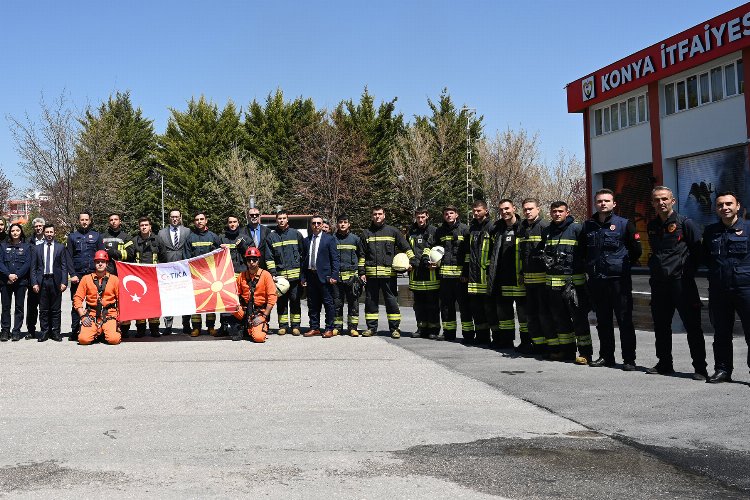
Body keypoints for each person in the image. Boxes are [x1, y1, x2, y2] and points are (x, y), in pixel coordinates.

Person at [646, 186, 707, 380]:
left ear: (673, 201)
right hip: (659, 284)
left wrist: (687, 272)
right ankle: (664, 363)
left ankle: (700, 367)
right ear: (652, 203)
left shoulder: (686, 223)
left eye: (664, 199)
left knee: (693, 327)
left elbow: (698, 253)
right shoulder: (652, 226)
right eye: (657, 200)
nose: (661, 202)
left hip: (682, 283)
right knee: (661, 326)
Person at [581, 189, 642, 370]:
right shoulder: (588, 226)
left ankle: (629, 359)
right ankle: (606, 356)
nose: (603, 204)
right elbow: (583, 251)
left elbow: (636, 250)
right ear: (595, 203)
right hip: (597, 281)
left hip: (619, 281)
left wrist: (621, 265)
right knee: (603, 321)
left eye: (607, 201)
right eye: (600, 201)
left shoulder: (624, 224)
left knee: (624, 320)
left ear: (614, 204)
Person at [702, 191, 750, 383]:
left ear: (738, 206)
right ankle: (722, 370)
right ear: (716, 208)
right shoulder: (711, 232)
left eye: (729, 204)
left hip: (746, 288)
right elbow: (706, 258)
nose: (725, 208)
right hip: (719, 289)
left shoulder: (748, 229)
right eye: (721, 205)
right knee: (721, 333)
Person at [542, 201, 593, 364]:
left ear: (567, 212)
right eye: (554, 211)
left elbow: (586, 254)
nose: (557, 214)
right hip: (553, 287)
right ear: (550, 212)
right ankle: (567, 352)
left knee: (579, 320)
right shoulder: (547, 231)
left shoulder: (577, 229)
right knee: (560, 320)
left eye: (560, 211)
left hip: (574, 286)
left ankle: (585, 353)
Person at [361, 205, 416, 339]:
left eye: (380, 214)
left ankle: (395, 328)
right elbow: (362, 255)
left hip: (389, 276)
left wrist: (412, 261)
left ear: (384, 215)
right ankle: (371, 328)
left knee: (391, 302)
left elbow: (405, 247)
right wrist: (361, 272)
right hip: (371, 276)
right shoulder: (366, 233)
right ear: (371, 216)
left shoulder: (393, 231)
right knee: (370, 302)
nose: (377, 216)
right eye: (375, 214)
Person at [487, 199, 529, 352]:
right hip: (502, 278)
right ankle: (506, 341)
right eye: (501, 210)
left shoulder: (524, 228)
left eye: (507, 209)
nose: (504, 212)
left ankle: (526, 342)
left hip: (519, 278)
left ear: (514, 208)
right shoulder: (497, 229)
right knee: (504, 314)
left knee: (523, 315)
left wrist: (525, 273)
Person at [518, 198, 552, 357]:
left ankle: (548, 346)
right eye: (525, 209)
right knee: (530, 315)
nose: (527, 212)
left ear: (538, 209)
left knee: (545, 315)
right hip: (529, 282)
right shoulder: (522, 228)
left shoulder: (545, 227)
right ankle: (537, 345)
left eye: (531, 209)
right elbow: (521, 255)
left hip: (543, 281)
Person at [433, 205, 471, 341]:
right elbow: (435, 249)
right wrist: (432, 261)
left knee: (464, 306)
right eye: (446, 214)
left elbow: (468, 254)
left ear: (456, 215)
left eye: (451, 213)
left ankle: (468, 334)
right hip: (445, 276)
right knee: (446, 306)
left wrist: (465, 273)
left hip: (460, 277)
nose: (448, 215)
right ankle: (449, 333)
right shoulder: (440, 231)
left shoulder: (465, 230)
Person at [264, 210, 305, 336]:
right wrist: (273, 273)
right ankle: (283, 326)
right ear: (277, 220)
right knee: (281, 303)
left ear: (287, 220)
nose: (281, 220)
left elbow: (303, 254)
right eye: (279, 218)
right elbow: (269, 257)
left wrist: (302, 274)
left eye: (284, 218)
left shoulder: (296, 234)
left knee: (295, 300)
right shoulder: (271, 237)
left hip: (295, 277)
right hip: (280, 278)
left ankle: (295, 326)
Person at [66, 211, 103, 341]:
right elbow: (68, 257)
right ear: (79, 221)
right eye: (82, 219)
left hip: (93, 275)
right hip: (78, 275)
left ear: (90, 220)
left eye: (86, 219)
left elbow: (101, 256)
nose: (84, 222)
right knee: (77, 303)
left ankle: (97, 329)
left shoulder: (97, 236)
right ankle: (75, 329)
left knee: (95, 303)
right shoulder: (72, 237)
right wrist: (72, 275)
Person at [184, 210, 222, 336]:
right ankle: (196, 328)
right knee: (196, 302)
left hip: (210, 276)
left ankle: (211, 327)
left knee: (211, 302)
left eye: (201, 219)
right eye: (197, 220)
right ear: (194, 222)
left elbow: (219, 255)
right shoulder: (190, 238)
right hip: (195, 276)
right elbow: (186, 257)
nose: (199, 222)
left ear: (206, 221)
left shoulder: (213, 237)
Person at [302, 215, 340, 338]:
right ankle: (314, 327)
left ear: (322, 224)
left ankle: (329, 328)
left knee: (328, 303)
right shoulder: (306, 240)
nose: (316, 225)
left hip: (325, 277)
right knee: (312, 304)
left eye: (319, 223)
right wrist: (303, 277)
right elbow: (304, 260)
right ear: (311, 225)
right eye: (314, 223)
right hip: (311, 276)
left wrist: (334, 275)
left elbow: (335, 259)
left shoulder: (329, 239)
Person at [73, 250, 121, 345]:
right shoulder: (86, 279)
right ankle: (97, 332)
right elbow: (77, 299)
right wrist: (82, 316)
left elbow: (121, 300)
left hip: (109, 314)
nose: (100, 264)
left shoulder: (114, 279)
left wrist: (119, 318)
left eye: (102, 262)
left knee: (114, 340)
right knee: (83, 340)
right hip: (92, 315)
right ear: (94, 263)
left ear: (107, 264)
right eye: (98, 262)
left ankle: (104, 332)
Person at [463, 200, 494, 345]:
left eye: (479, 210)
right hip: (474, 277)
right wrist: (465, 272)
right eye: (474, 211)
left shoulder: (492, 227)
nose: (476, 213)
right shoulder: (472, 228)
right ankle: (482, 337)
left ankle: (497, 338)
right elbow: (468, 253)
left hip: (487, 276)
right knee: (476, 309)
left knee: (489, 309)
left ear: (486, 211)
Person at [230, 247, 277, 343]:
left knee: (258, 338)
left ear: (258, 260)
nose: (251, 262)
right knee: (231, 306)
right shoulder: (241, 276)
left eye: (254, 260)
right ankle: (244, 326)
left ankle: (258, 327)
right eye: (249, 260)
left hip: (259, 312)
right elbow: (235, 294)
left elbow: (272, 298)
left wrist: (263, 316)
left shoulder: (266, 275)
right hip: (245, 311)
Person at [156, 209, 191, 334]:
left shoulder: (187, 231)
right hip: (167, 269)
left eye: (177, 217)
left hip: (184, 269)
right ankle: (168, 325)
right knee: (168, 298)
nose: (174, 219)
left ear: (180, 217)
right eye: (172, 217)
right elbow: (160, 251)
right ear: (169, 218)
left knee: (185, 297)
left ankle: (186, 324)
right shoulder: (161, 233)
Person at [31, 224, 68, 342]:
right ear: (44, 233)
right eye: (47, 232)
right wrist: (34, 283)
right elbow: (33, 267)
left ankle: (56, 332)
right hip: (42, 281)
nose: (49, 234)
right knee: (43, 309)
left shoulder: (60, 247)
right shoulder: (37, 248)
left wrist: (64, 282)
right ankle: (44, 332)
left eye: (51, 232)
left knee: (56, 309)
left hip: (55, 281)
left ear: (54, 233)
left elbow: (64, 266)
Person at [408, 208, 439, 338]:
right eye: (418, 217)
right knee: (418, 304)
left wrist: (437, 263)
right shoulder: (411, 231)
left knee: (432, 304)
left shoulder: (434, 231)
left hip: (431, 273)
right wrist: (409, 261)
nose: (420, 220)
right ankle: (421, 328)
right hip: (415, 273)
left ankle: (433, 329)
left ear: (427, 216)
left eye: (422, 217)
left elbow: (439, 249)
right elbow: (407, 248)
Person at [332, 214, 365, 336]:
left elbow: (361, 256)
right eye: (340, 222)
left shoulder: (355, 239)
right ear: (337, 224)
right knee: (337, 303)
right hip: (337, 278)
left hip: (352, 278)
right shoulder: (332, 239)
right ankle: (337, 327)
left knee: (353, 304)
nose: (342, 224)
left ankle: (352, 328)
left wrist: (361, 273)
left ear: (349, 224)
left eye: (345, 222)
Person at [129, 217, 163, 338]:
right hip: (139, 279)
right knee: (140, 304)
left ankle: (154, 329)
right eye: (141, 225)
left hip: (154, 278)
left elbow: (163, 256)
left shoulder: (157, 240)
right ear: (139, 227)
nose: (144, 227)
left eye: (146, 225)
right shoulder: (134, 241)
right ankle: (141, 330)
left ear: (150, 227)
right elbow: (128, 257)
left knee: (153, 304)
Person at [101, 213, 133, 337]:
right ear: (109, 222)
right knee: (107, 302)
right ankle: (107, 326)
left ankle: (124, 329)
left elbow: (130, 254)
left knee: (122, 303)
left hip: (121, 275)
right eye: (111, 220)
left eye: (116, 219)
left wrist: (114, 252)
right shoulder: (102, 237)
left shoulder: (126, 237)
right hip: (106, 276)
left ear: (120, 221)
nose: (113, 222)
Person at [220, 214, 252, 334]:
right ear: (227, 224)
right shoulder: (222, 239)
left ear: (238, 223)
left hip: (242, 275)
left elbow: (252, 255)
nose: (232, 224)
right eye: (230, 222)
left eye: (235, 222)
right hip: (226, 276)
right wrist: (219, 249)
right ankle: (223, 327)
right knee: (226, 302)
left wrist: (242, 246)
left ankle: (243, 326)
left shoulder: (246, 238)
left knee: (243, 301)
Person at [0, 224, 32, 341]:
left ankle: (16, 331)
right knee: (5, 307)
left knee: (19, 307)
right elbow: (1, 262)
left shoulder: (27, 246)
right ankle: (5, 331)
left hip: (21, 282)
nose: (15, 232)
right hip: (6, 281)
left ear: (21, 232)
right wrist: (8, 275)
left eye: (17, 230)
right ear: (10, 232)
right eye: (13, 230)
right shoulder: (3, 246)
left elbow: (27, 263)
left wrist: (17, 275)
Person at [25, 217, 46, 340]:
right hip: (32, 278)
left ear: (43, 227)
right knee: (32, 306)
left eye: (40, 226)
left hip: (46, 277)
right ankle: (31, 330)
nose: (38, 228)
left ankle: (46, 330)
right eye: (36, 226)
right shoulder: (29, 242)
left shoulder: (48, 240)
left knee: (45, 306)